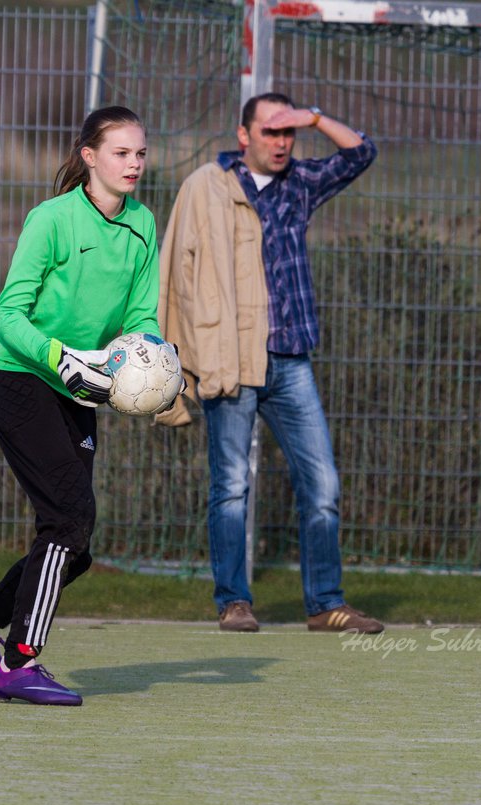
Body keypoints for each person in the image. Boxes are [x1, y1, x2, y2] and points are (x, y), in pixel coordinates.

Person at [0, 106, 168, 706]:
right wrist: (63, 358)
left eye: (141, 154)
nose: (134, 164)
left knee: (74, 545)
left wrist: (150, 359)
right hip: (17, 373)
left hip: (78, 386)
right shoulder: (51, 219)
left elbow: (139, 318)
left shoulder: (144, 226)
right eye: (121, 153)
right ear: (90, 157)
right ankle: (17, 662)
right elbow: (7, 317)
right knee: (68, 516)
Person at [156, 92, 383, 634]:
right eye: (270, 132)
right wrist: (182, 358)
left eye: (288, 133)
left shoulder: (299, 184)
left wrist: (315, 118)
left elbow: (361, 154)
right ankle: (234, 602)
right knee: (231, 485)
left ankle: (326, 604)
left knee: (322, 484)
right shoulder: (206, 188)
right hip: (231, 360)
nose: (281, 143)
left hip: (291, 361)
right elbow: (177, 275)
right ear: (243, 136)